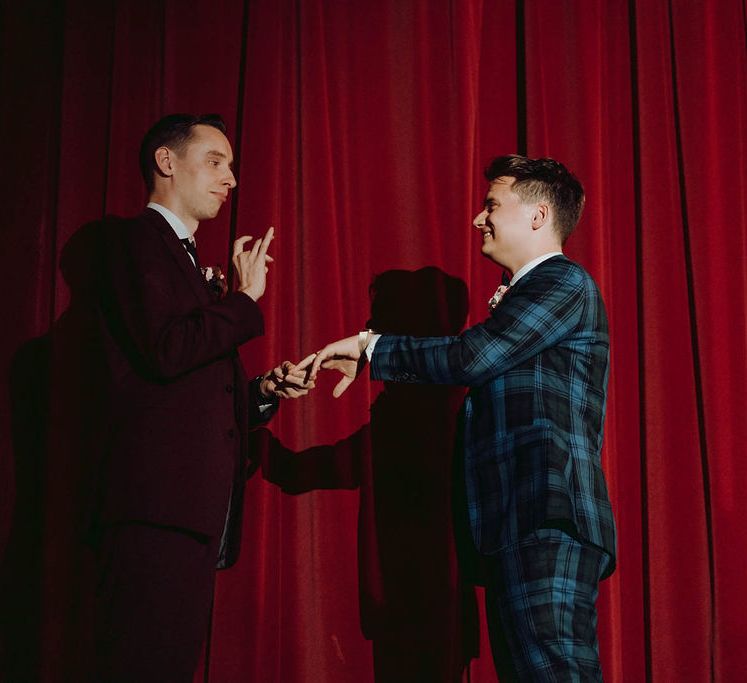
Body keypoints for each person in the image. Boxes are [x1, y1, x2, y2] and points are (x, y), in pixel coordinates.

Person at [302, 155, 616, 681]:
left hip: (545, 519)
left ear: (538, 216)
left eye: (492, 205)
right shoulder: (532, 296)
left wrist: (370, 348)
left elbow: (472, 357)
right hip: (518, 525)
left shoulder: (564, 283)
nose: (478, 218)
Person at [91, 113, 310, 681]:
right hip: (154, 510)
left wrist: (262, 391)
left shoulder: (185, 262)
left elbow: (190, 381)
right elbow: (166, 349)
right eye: (215, 162)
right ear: (167, 162)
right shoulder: (135, 240)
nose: (230, 178)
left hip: (189, 515)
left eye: (232, 167)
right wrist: (243, 300)